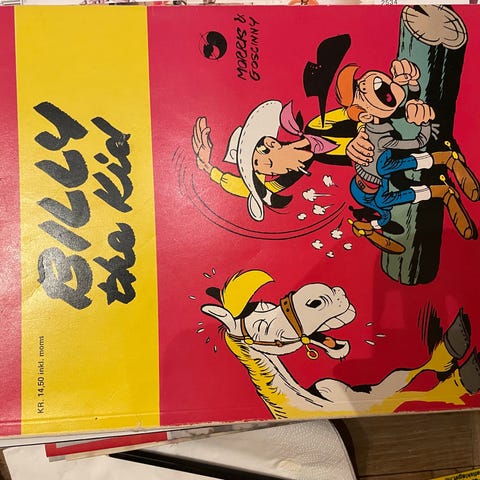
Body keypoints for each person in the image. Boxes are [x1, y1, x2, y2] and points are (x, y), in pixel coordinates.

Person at [335, 59, 479, 252]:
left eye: (362, 82)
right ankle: (442, 190)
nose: (368, 81)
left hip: (373, 178)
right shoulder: (376, 128)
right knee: (385, 202)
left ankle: (445, 163)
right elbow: (406, 121)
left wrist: (414, 90)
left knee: (387, 176)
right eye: (362, 88)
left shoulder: (379, 129)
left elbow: (414, 131)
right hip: (371, 187)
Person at [192, 100, 372, 222]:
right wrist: (208, 169)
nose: (271, 173)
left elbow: (352, 113)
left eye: (268, 164)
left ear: (271, 143)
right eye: (268, 172)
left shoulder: (315, 126)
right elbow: (248, 188)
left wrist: (362, 132)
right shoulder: (291, 178)